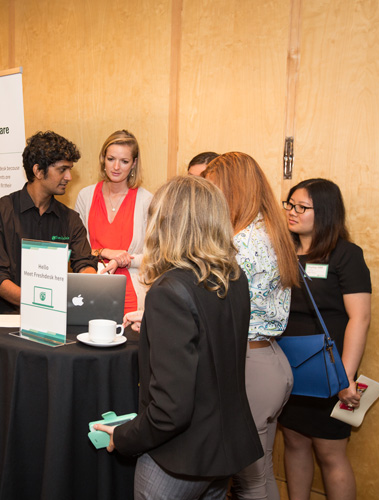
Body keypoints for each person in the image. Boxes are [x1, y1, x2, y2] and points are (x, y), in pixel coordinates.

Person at [93, 175, 262, 499]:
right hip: (223, 451)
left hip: (179, 458)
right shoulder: (233, 276)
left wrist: (124, 437)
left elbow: (170, 410)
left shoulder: (169, 290)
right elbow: (211, 338)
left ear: (167, 224)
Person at [203, 152, 299, 500]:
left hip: (250, 367)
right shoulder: (270, 231)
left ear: (234, 189)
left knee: (249, 481)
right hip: (270, 360)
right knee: (260, 476)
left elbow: (215, 305)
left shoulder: (241, 243)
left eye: (215, 191)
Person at [278, 179, 371, 500]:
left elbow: (360, 318)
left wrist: (345, 376)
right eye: (289, 204)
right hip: (289, 365)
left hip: (330, 369)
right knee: (294, 442)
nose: (292, 212)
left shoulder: (346, 254)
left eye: (301, 207)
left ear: (327, 213)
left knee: (331, 453)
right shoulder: (283, 251)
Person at [0, 131, 107, 321]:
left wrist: (88, 281)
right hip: (4, 317)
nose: (69, 176)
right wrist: (41, 302)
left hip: (53, 317)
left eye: (70, 169)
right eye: (62, 170)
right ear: (38, 171)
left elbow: (84, 264)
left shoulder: (70, 220)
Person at [74, 130, 153, 313]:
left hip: (131, 297)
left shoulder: (146, 200)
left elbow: (155, 256)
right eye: (111, 159)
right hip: (89, 292)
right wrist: (105, 252)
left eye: (124, 161)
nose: (116, 167)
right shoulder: (85, 196)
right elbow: (74, 249)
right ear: (103, 159)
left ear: (134, 163)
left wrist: (125, 260)